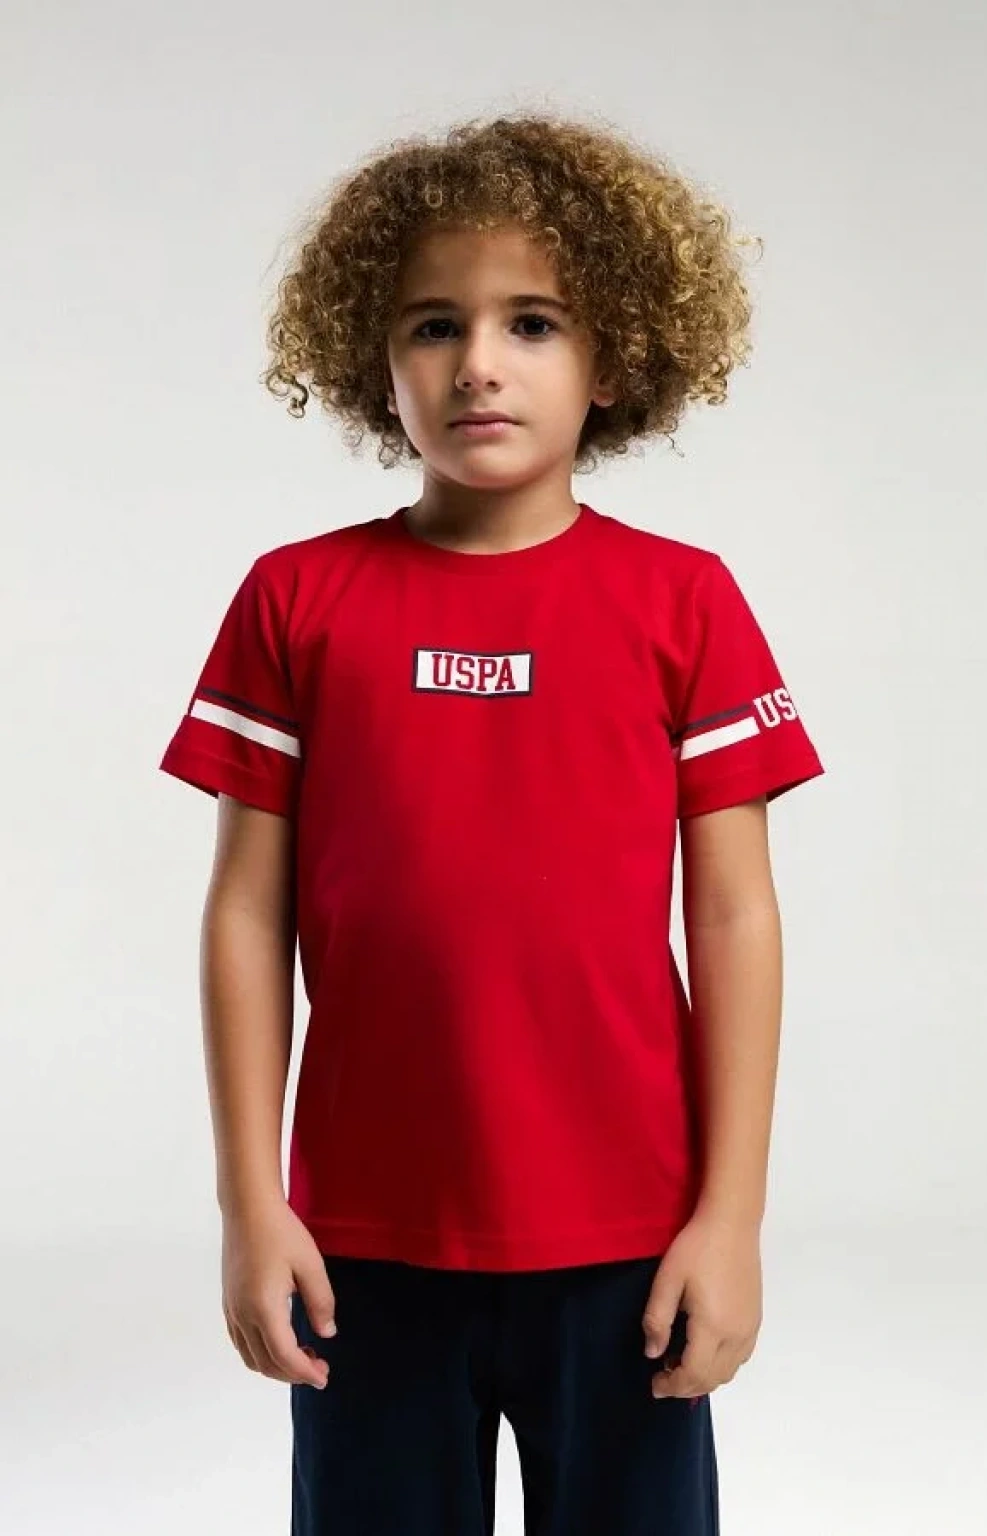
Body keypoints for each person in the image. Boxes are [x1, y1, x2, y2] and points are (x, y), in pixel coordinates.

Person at [159, 110, 825, 1536]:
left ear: (613, 359)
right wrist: (250, 1205)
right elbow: (245, 915)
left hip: (630, 1238)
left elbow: (733, 915)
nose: (478, 362)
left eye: (532, 322)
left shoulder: (684, 602)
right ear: (375, 359)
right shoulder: (295, 600)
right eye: (433, 325)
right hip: (363, 1245)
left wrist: (730, 1218)